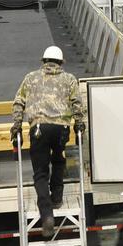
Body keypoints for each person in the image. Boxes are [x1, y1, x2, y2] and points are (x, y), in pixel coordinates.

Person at [11, 45, 83, 235]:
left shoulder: (31, 78)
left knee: (40, 173)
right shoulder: (69, 79)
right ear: (61, 63)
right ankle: (57, 197)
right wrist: (79, 123)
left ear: (43, 61)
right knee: (58, 160)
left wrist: (17, 124)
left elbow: (19, 102)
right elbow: (77, 103)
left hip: (39, 129)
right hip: (61, 129)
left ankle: (47, 214)